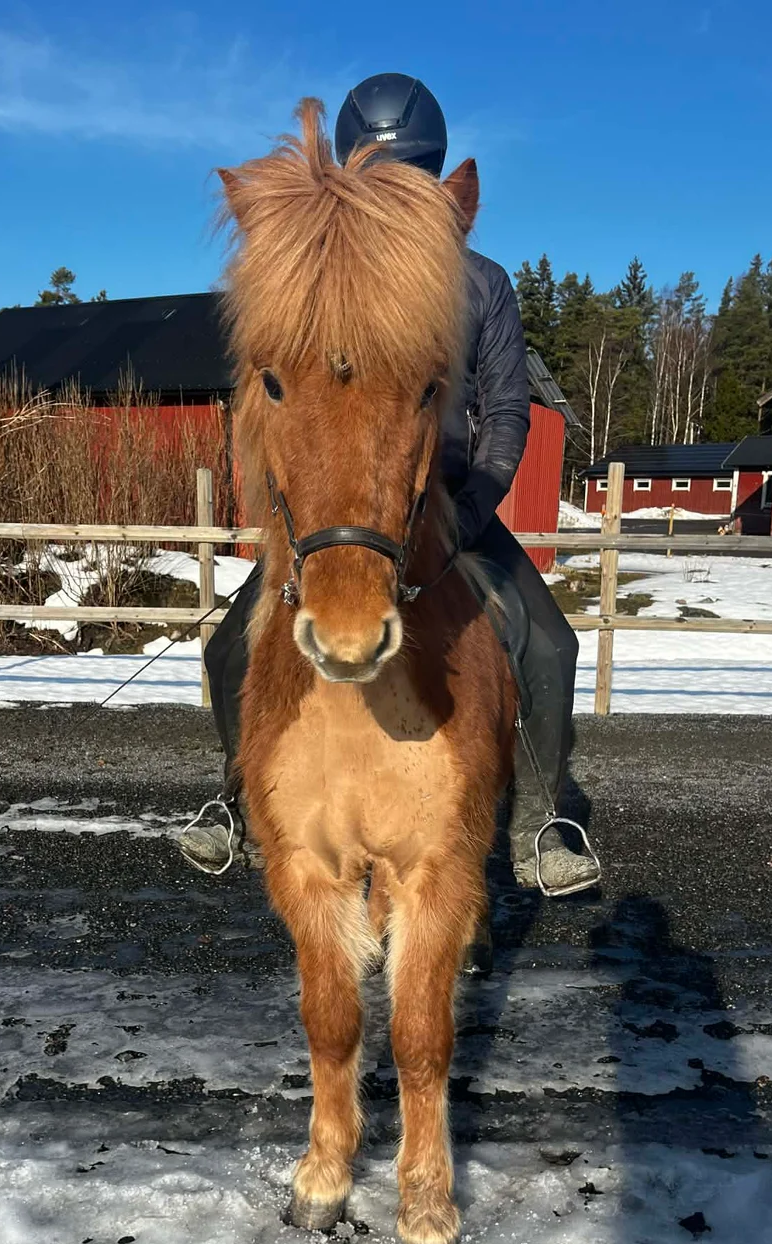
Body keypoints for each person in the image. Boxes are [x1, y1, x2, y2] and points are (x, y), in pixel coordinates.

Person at [180, 73, 599, 896]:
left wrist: (475, 505)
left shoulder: (482, 284)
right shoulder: (332, 272)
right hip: (352, 514)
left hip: (451, 503)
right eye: (378, 173)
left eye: (407, 174)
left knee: (549, 643)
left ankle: (542, 820)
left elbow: (506, 407)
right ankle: (235, 794)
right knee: (230, 646)